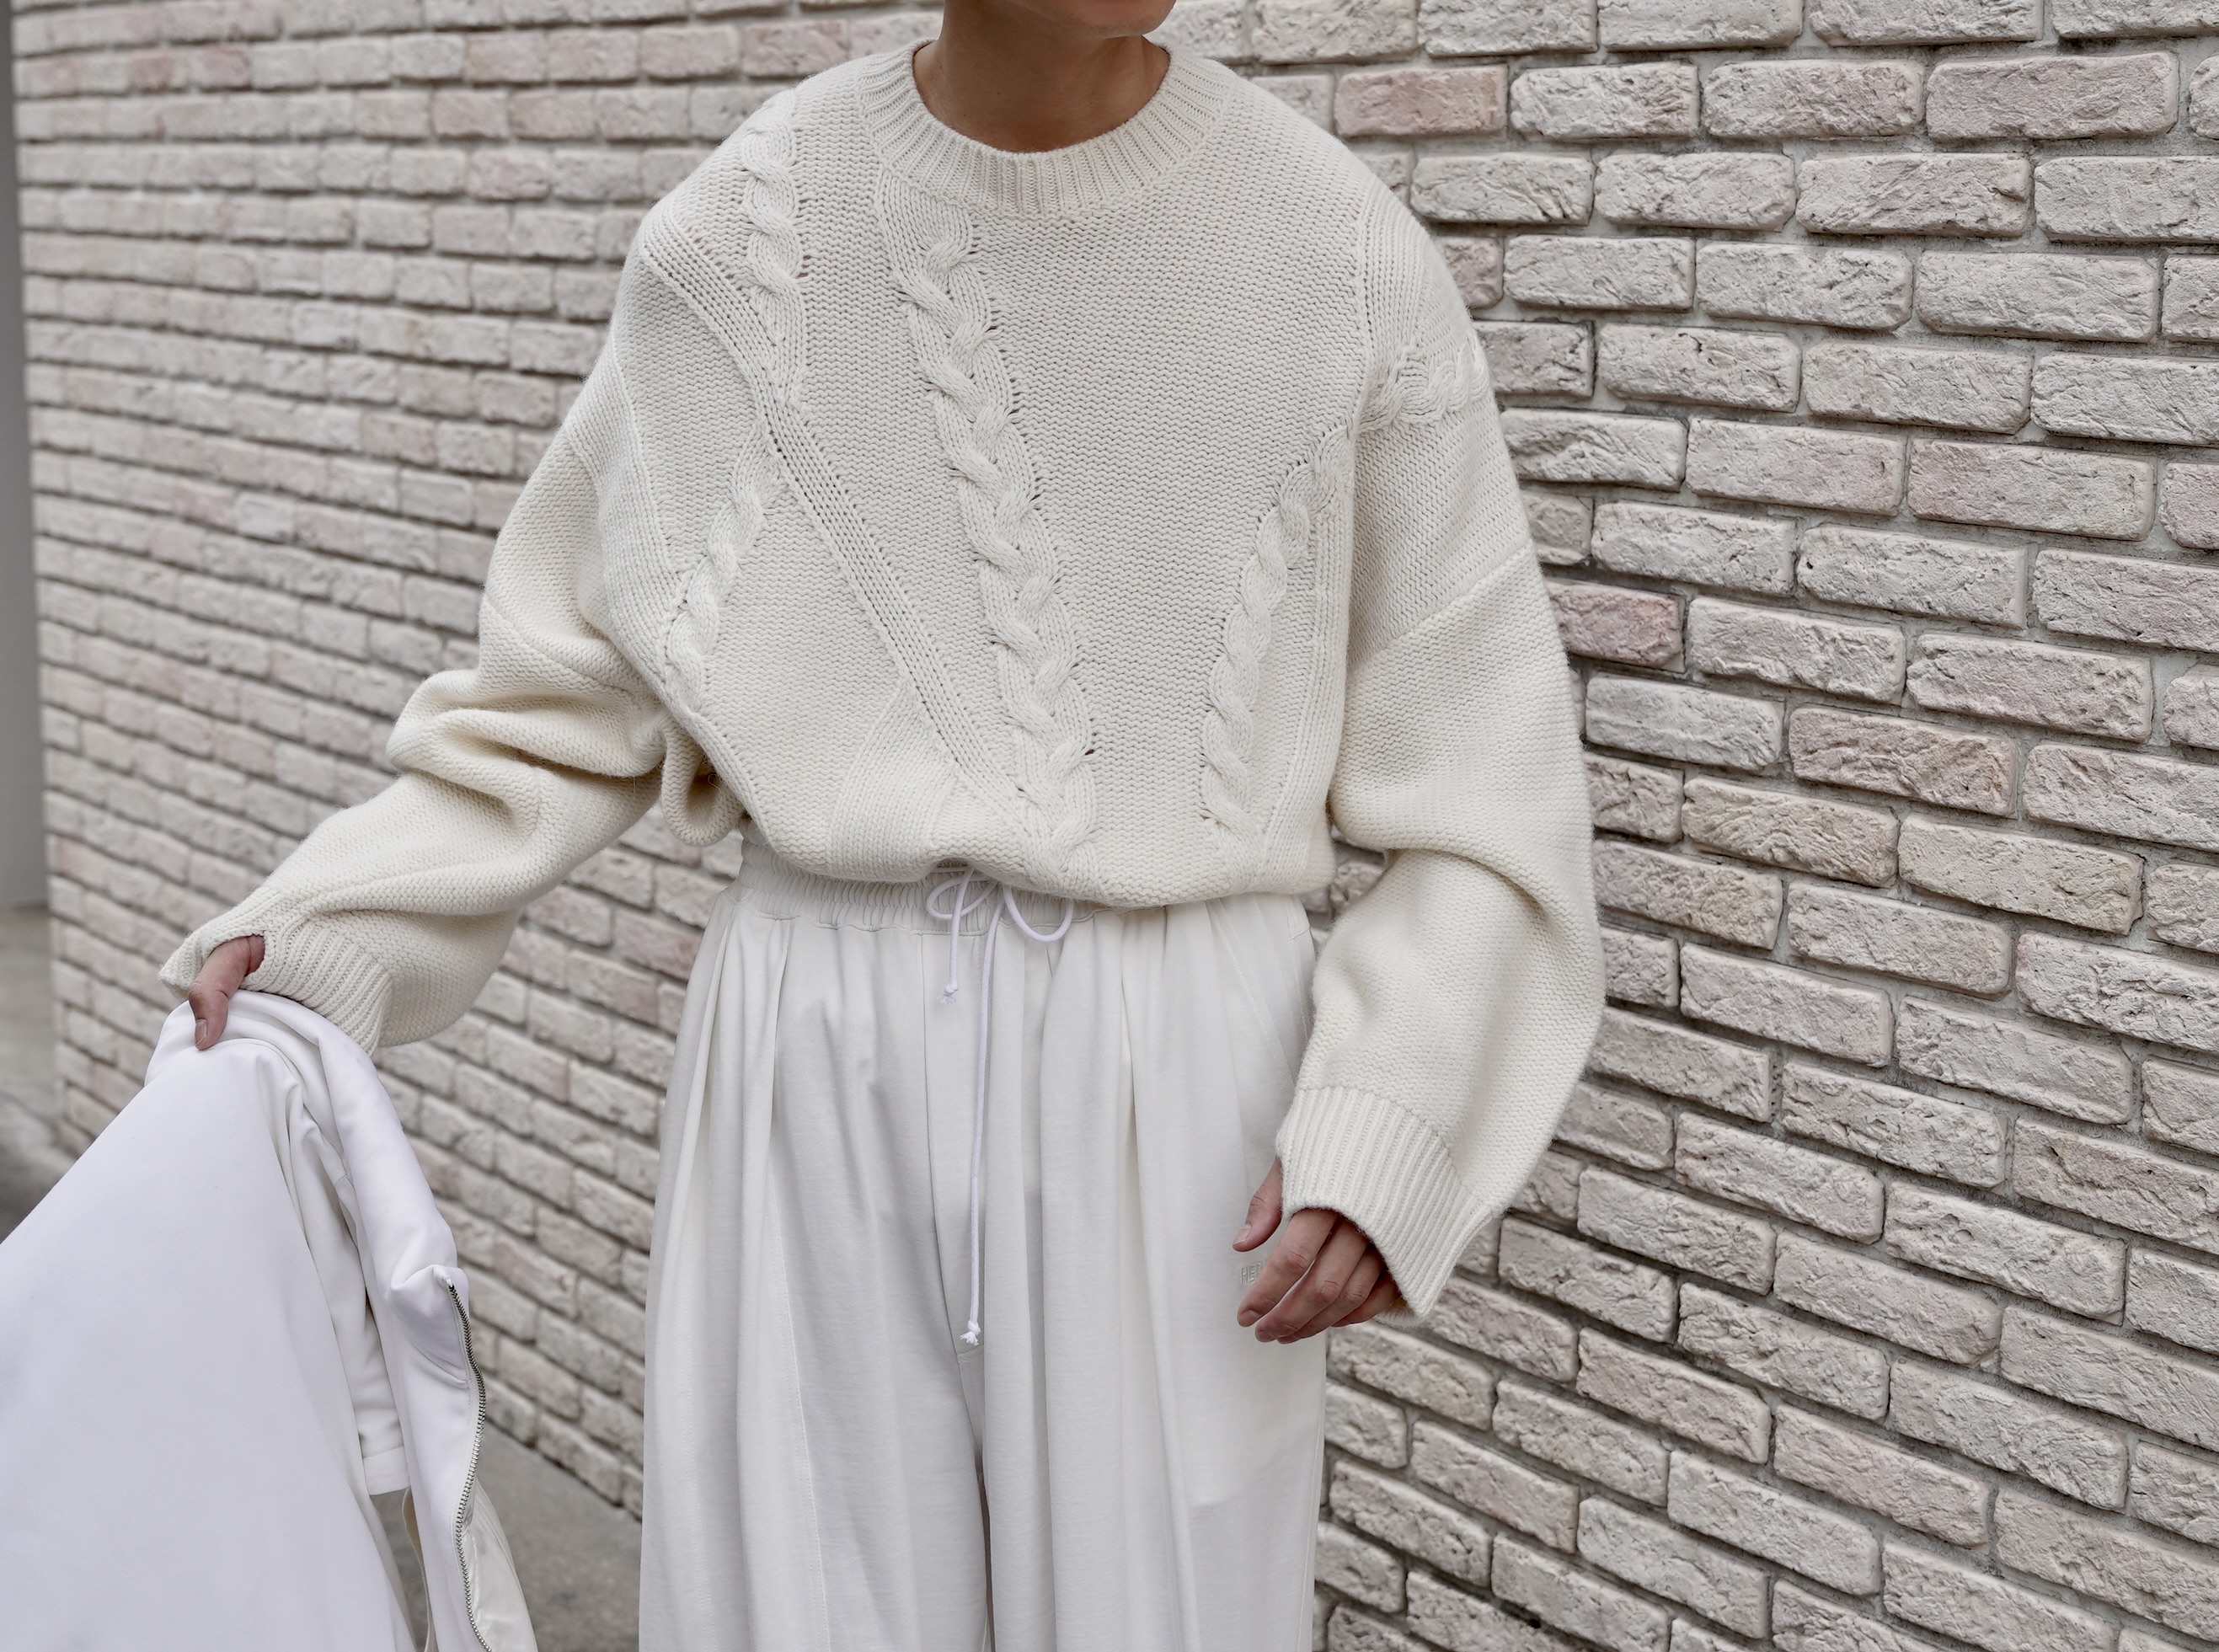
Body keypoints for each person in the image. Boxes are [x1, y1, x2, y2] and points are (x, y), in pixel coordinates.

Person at [174, 0, 1605, 1645]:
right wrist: (334, 924)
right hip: (813, 1039)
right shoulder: (748, 235)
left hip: (1181, 1063)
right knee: (796, 1603)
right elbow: (566, 690)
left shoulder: (1331, 248)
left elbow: (1485, 774)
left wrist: (1392, 1112)